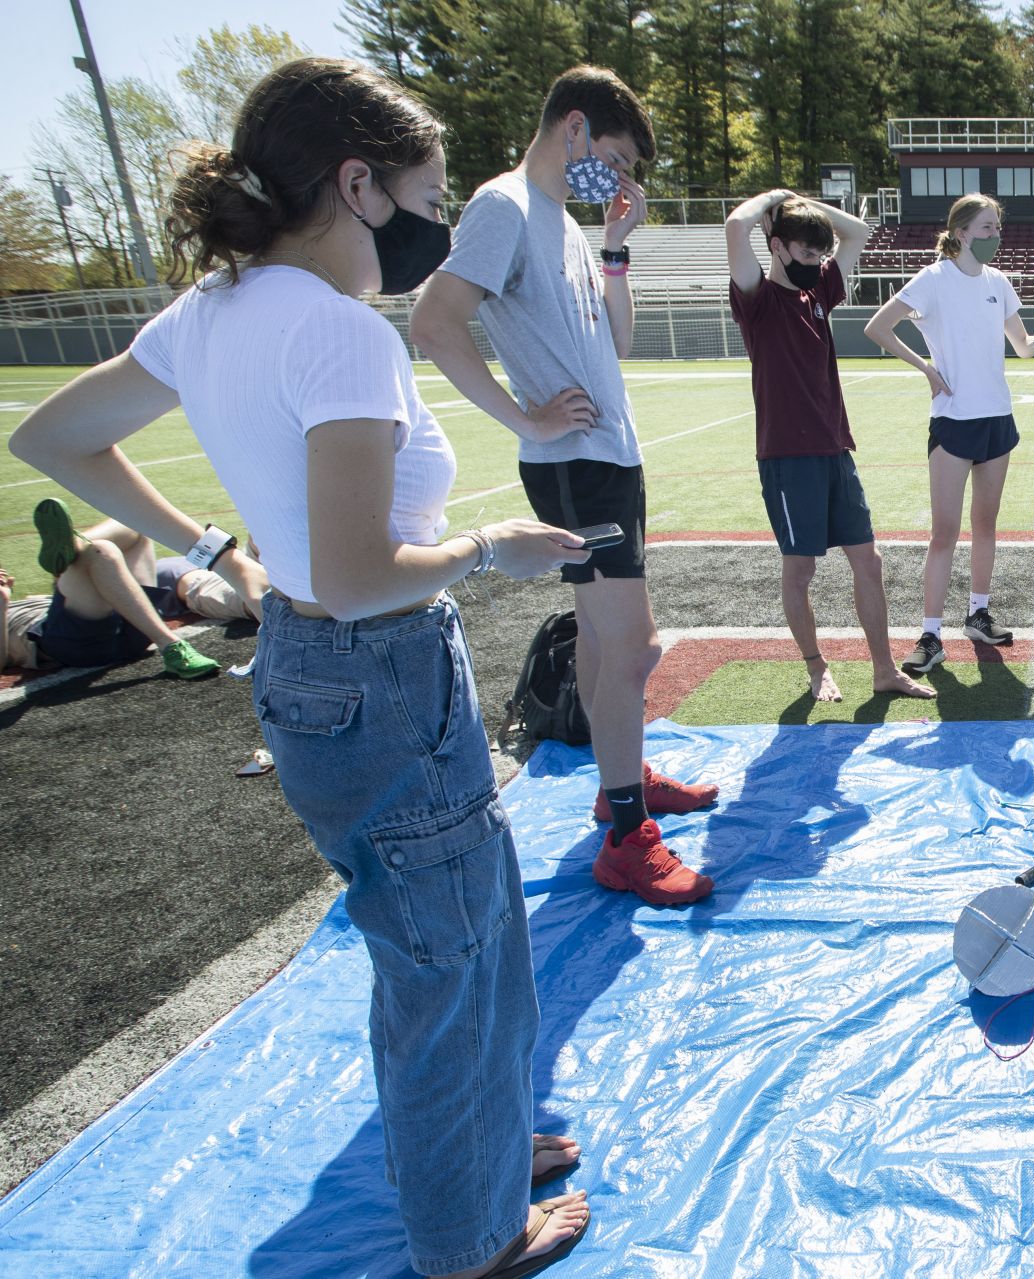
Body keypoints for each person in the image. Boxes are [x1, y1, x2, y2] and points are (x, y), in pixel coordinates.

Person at [10, 58, 595, 1279]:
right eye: (425, 193)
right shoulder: (334, 332)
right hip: (378, 675)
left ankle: (474, 1143)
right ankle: (470, 1237)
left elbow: (53, 436)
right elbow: (365, 571)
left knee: (456, 932)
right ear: (356, 182)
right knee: (446, 955)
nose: (434, 223)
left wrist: (214, 548)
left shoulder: (215, 309)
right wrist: (494, 547)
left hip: (314, 672)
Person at [413, 65, 716, 907]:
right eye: (614, 158)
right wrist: (526, 417)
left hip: (609, 459)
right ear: (573, 127)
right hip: (576, 467)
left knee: (599, 642)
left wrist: (617, 245)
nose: (616, 179)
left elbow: (614, 340)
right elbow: (433, 321)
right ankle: (627, 839)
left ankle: (621, 778)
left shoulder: (568, 226)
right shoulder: (503, 205)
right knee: (632, 649)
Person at [724, 188, 935, 703]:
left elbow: (858, 233)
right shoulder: (757, 299)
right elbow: (734, 227)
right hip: (786, 458)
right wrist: (772, 198)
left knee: (869, 561)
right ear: (775, 246)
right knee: (801, 569)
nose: (816, 261)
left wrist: (803, 202)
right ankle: (817, 668)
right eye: (805, 251)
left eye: (820, 253)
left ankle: (884, 670)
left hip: (835, 450)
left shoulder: (817, 291)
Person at [862, 193, 1034, 675]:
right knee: (944, 533)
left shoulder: (999, 282)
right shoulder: (933, 279)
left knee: (986, 523)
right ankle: (930, 634)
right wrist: (925, 369)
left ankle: (978, 613)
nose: (994, 237)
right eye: (985, 229)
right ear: (960, 232)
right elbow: (878, 327)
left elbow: (1021, 349)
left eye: (997, 228)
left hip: (996, 418)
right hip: (953, 421)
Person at [5, 497, 245, 677]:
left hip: (132, 628)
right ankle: (171, 646)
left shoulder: (27, 602)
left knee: (135, 524)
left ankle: (74, 546)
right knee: (103, 550)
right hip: (76, 645)